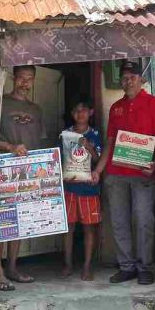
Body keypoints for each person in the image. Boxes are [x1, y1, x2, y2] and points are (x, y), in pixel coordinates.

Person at [92, 60, 155, 285]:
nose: (128, 80)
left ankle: (144, 267)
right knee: (118, 220)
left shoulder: (154, 103)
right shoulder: (116, 107)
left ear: (141, 80)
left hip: (143, 173)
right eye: (124, 77)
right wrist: (98, 170)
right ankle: (126, 267)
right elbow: (110, 142)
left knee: (144, 219)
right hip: (116, 173)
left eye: (132, 77)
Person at [0, 65, 46, 291]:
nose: (25, 83)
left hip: (28, 172)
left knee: (20, 220)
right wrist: (10, 146)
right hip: (3, 169)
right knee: (1, 222)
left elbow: (39, 142)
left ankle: (12, 268)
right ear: (13, 78)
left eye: (29, 79)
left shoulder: (36, 110)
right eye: (21, 78)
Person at [61, 101, 102, 281]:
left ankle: (87, 266)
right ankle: (68, 264)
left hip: (88, 189)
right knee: (68, 228)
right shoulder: (65, 134)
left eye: (83, 110)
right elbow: (59, 158)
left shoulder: (95, 135)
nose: (80, 113)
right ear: (72, 113)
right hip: (69, 187)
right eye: (76, 110)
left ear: (90, 112)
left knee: (89, 228)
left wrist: (89, 147)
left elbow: (99, 159)